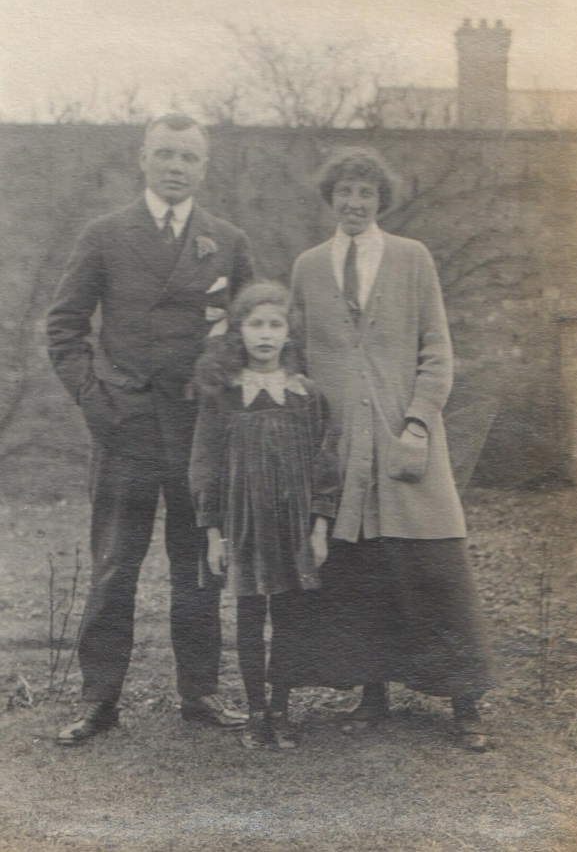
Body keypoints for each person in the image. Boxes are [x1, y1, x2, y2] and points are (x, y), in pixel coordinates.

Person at [47, 113, 254, 745]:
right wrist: (95, 397)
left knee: (198, 568)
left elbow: (255, 328)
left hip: (198, 432)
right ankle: (99, 700)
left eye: (188, 157)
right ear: (142, 159)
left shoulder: (227, 240)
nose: (175, 166)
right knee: (115, 566)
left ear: (203, 166)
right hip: (126, 429)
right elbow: (64, 327)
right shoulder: (106, 235)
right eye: (164, 154)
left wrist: (225, 400)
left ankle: (200, 694)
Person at [291, 147, 493, 752]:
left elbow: (438, 349)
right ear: (330, 199)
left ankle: (466, 701)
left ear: (380, 201)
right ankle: (371, 691)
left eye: (366, 195)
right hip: (341, 447)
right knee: (359, 568)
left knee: (435, 564)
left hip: (405, 438)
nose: (354, 204)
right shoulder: (307, 266)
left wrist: (417, 420)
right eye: (345, 194)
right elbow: (299, 352)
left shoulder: (412, 259)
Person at [189, 282, 339, 749]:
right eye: (256, 324)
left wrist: (319, 526)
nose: (266, 335)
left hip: (293, 528)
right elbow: (205, 464)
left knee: (290, 619)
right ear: (239, 331)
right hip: (244, 527)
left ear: (289, 332)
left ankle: (281, 709)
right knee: (250, 618)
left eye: (276, 324)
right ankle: (256, 713)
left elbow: (325, 464)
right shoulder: (223, 396)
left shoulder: (307, 395)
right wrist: (214, 533)